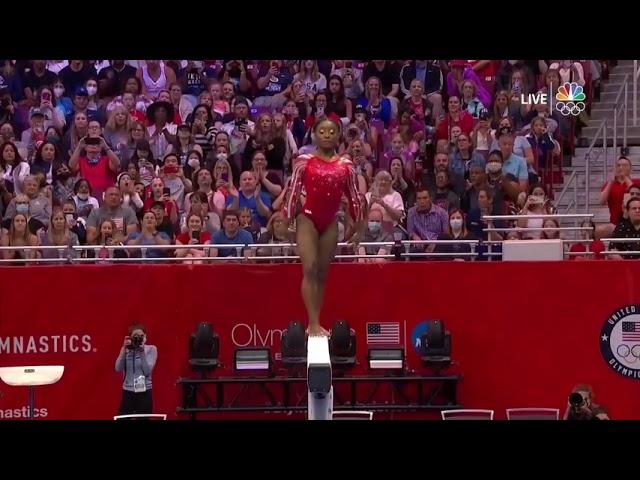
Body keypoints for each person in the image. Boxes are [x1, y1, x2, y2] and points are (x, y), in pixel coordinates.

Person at [284, 118, 366, 336]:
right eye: (323, 131)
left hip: (330, 221)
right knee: (309, 268)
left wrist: (359, 228)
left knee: (321, 274)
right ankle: (312, 323)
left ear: (338, 135)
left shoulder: (346, 166)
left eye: (332, 131)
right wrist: (288, 219)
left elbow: (355, 198)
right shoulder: (304, 161)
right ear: (315, 135)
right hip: (307, 219)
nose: (327, 134)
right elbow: (293, 191)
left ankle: (317, 321)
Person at [114, 324, 158, 416]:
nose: (139, 338)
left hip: (144, 391)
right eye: (136, 336)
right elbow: (118, 368)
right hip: (128, 391)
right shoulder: (126, 350)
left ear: (145, 336)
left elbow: (147, 371)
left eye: (142, 336)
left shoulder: (151, 349)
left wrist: (141, 352)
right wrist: (123, 350)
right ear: (130, 337)